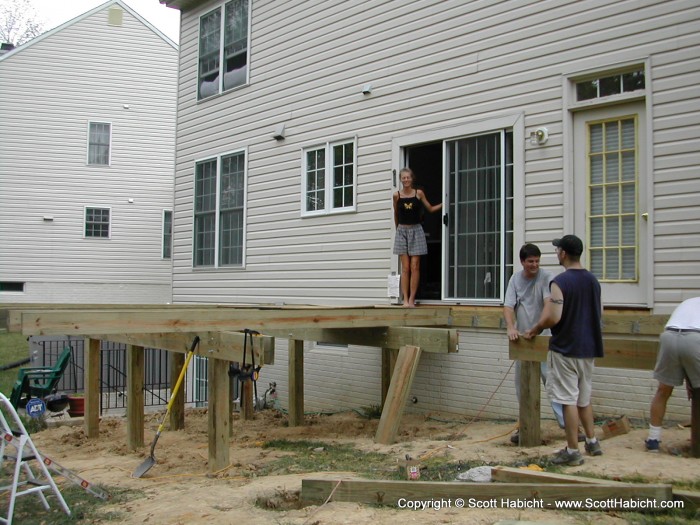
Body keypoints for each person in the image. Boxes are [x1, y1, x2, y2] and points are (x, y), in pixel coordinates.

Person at [523, 234, 604, 466]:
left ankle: (572, 451)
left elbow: (553, 317)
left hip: (565, 348)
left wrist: (535, 329)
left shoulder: (560, 282)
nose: (557, 253)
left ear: (564, 254)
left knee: (568, 400)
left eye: (558, 250)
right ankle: (592, 441)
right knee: (584, 398)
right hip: (588, 348)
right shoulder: (592, 280)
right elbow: (598, 314)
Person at [504, 243, 566, 444]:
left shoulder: (547, 277)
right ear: (522, 262)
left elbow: (549, 304)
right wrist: (511, 328)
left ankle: (569, 426)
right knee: (522, 386)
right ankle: (526, 427)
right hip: (523, 341)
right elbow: (508, 306)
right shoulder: (515, 279)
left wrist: (538, 328)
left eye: (537, 261)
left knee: (553, 383)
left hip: (544, 339)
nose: (534, 265)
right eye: (530, 261)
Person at [645, 297, 700, 452]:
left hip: (669, 336)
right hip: (695, 337)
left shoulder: (689, 302)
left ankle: (653, 439)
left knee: (663, 390)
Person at [392, 167, 442, 308]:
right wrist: (398, 230)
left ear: (412, 178)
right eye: (403, 178)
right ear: (400, 179)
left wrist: (445, 203)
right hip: (402, 231)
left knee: (415, 267)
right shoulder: (396, 195)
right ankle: (405, 300)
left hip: (416, 230)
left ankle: (412, 299)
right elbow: (396, 214)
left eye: (408, 177)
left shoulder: (418, 193)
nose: (406, 180)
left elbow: (430, 208)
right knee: (405, 268)